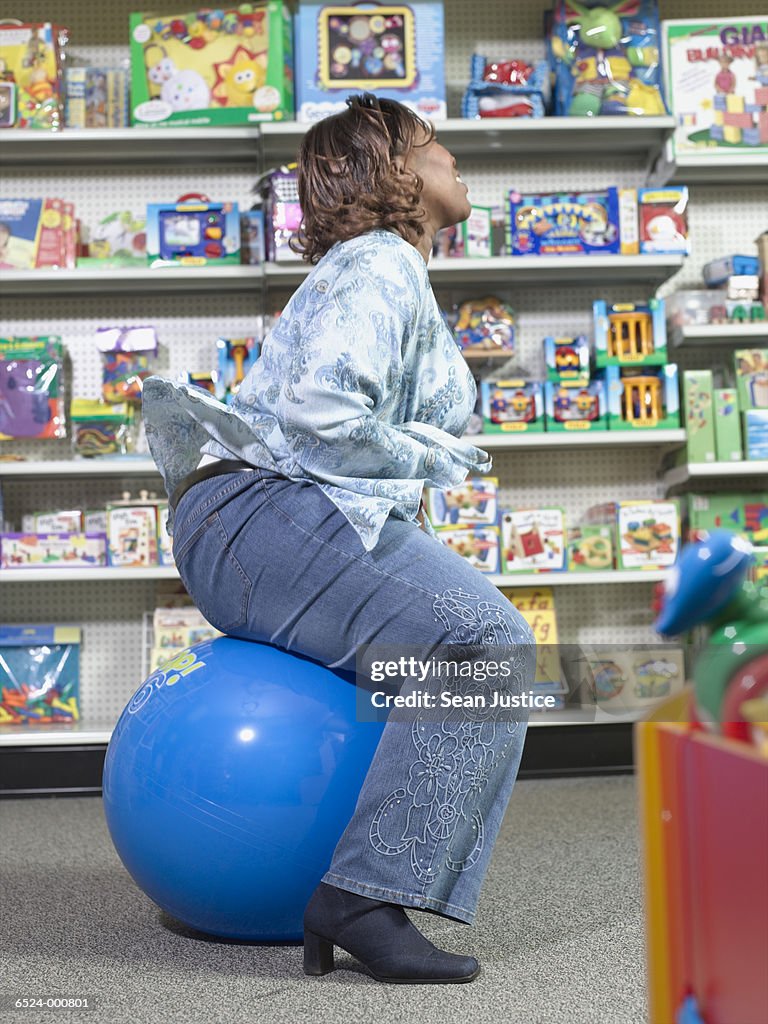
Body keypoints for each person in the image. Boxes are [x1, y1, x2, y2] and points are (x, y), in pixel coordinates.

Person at [142, 93, 536, 986]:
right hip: (261, 514)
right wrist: (431, 450)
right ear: (398, 172)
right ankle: (362, 897)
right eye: (438, 147)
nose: (454, 160)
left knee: (455, 660)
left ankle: (362, 884)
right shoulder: (383, 263)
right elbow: (320, 411)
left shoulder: (384, 269)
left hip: (253, 521)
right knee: (488, 649)